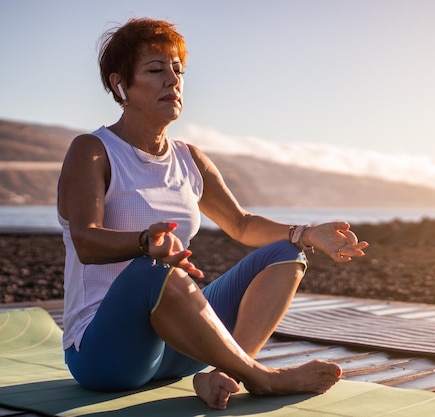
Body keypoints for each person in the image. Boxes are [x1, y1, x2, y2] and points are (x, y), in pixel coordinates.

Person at [56, 17, 368, 410]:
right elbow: (85, 240)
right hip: (106, 355)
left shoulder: (190, 159)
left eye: (177, 69)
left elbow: (241, 224)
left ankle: (226, 374)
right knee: (156, 271)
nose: (172, 80)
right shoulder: (93, 150)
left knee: (285, 254)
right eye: (156, 70)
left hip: (175, 348)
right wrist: (145, 243)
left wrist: (307, 234)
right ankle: (261, 377)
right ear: (121, 85)